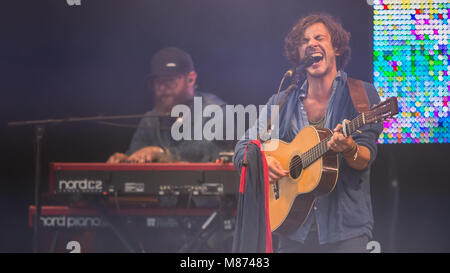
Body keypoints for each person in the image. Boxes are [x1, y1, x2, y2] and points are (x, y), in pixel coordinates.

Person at [233, 13, 383, 252]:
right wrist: (263, 161)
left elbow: (365, 157)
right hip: (293, 231)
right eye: (304, 41)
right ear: (298, 54)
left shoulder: (360, 93)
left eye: (319, 37)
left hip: (345, 229)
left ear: (335, 47)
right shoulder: (281, 101)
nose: (311, 43)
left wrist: (349, 147)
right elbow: (243, 148)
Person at [107, 47, 229, 164]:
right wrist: (125, 160)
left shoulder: (216, 111)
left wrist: (162, 154)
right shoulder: (150, 120)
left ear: (191, 79)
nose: (162, 88)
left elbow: (209, 151)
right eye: (158, 82)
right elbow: (137, 153)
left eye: (170, 80)